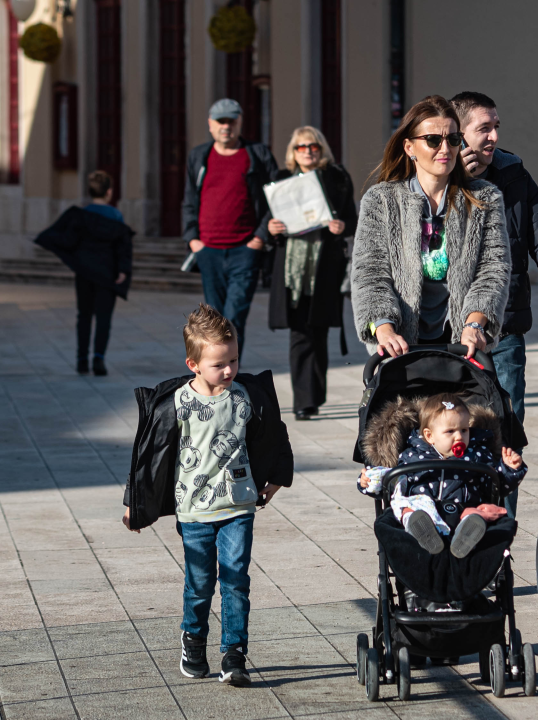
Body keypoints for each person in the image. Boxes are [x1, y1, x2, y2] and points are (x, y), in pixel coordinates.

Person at [121, 303, 293, 687]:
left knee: (235, 580)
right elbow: (150, 457)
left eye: (233, 360)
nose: (230, 370)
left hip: (238, 506)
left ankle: (234, 653)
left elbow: (275, 436)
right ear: (193, 364)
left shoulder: (246, 397)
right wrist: (137, 506)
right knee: (200, 582)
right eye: (219, 364)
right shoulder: (177, 404)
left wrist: (277, 479)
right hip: (194, 512)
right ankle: (194, 639)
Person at [450, 91, 538, 517]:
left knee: (505, 432)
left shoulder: (512, 173)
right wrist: (456, 182)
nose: (494, 135)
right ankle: (452, 523)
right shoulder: (433, 173)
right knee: (448, 432)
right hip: (445, 334)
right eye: (484, 128)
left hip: (503, 327)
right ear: (458, 134)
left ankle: (499, 533)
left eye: (497, 126)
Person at [350, 95, 511, 365]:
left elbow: (493, 270)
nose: (445, 148)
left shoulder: (485, 198)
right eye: (434, 140)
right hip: (402, 347)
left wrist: (474, 325)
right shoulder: (381, 200)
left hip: (462, 347)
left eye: (453, 139)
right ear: (409, 147)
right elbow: (370, 273)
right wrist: (385, 331)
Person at [357, 393, 526, 558]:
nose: (459, 436)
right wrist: (369, 481)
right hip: (425, 510)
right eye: (450, 431)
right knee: (405, 508)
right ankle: (419, 529)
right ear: (429, 436)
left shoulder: (478, 455)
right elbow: (393, 484)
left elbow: (496, 484)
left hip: (464, 508)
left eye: (464, 430)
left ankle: (467, 535)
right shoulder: (412, 456)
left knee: (479, 513)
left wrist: (510, 469)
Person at [265, 127, 358, 420]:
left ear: (322, 149)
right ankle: (303, 400)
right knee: (299, 333)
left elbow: (353, 221)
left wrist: (342, 226)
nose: (308, 151)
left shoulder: (337, 178)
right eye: (301, 147)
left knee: (317, 332)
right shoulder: (281, 180)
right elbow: (269, 222)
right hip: (292, 271)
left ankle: (315, 394)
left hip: (324, 267)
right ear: (293, 152)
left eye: (314, 146)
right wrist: (272, 228)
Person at [182, 99, 280, 355]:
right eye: (220, 121)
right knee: (212, 320)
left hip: (244, 250)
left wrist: (259, 237)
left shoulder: (257, 154)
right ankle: (215, 373)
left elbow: (276, 197)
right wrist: (193, 240)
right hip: (209, 251)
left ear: (240, 123)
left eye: (231, 121)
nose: (226, 126)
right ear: (211, 124)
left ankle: (230, 374)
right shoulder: (199, 156)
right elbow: (189, 199)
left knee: (235, 317)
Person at [34, 170, 133, 376]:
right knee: (104, 318)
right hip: (108, 274)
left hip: (85, 273)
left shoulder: (80, 216)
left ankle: (81, 360)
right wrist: (123, 271)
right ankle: (99, 359)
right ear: (109, 191)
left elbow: (67, 240)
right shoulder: (116, 217)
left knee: (84, 316)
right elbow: (123, 247)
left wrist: (72, 258)